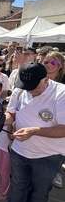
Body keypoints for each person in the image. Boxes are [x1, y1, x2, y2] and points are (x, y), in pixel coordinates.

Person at [3, 62, 65, 202]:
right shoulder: (21, 89)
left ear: (46, 79)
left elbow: (63, 128)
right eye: (26, 86)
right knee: (17, 185)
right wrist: (2, 119)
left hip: (48, 156)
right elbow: (11, 114)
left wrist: (34, 131)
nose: (29, 90)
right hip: (19, 151)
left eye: (33, 86)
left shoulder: (61, 94)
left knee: (39, 193)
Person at [42, 51, 65, 189]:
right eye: (46, 62)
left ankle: (57, 172)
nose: (49, 65)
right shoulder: (37, 78)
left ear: (60, 65)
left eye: (53, 62)